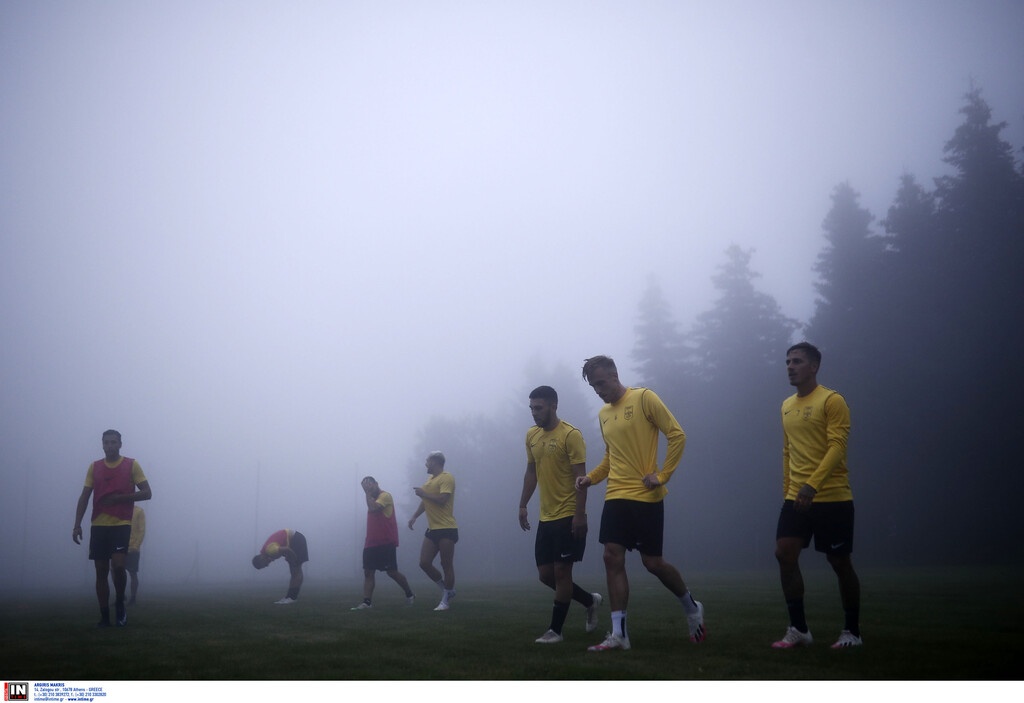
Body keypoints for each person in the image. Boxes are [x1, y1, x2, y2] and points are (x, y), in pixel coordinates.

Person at [575, 355, 706, 651]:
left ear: (614, 375)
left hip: (645, 496)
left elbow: (677, 435)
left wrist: (662, 475)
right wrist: (590, 479)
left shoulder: (644, 398)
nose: (598, 390)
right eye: (593, 386)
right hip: (615, 495)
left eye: (601, 383)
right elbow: (611, 457)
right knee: (611, 557)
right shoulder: (604, 414)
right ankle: (619, 634)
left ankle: (692, 607)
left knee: (653, 563)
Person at [772, 342, 863, 649]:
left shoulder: (832, 401)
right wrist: (789, 491)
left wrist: (812, 485)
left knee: (839, 562)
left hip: (832, 497)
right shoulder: (786, 405)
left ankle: (852, 632)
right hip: (796, 498)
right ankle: (799, 629)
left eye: (797, 361)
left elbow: (837, 447)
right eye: (787, 361)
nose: (790, 366)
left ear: (814, 366)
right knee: (784, 553)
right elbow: (787, 451)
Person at [519, 385, 603, 644]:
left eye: (539, 408)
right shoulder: (531, 435)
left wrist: (580, 514)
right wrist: (522, 505)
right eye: (531, 408)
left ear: (553, 406)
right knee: (546, 576)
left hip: (568, 514)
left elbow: (581, 478)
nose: (534, 413)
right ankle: (589, 601)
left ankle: (555, 631)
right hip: (546, 517)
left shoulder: (570, 435)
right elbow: (531, 472)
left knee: (563, 572)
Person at [72, 429, 153, 627]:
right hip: (99, 525)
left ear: (120, 444)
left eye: (113, 442)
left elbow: (147, 493)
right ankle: (104, 617)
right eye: (106, 442)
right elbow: (84, 496)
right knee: (101, 570)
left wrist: (120, 498)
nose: (109, 446)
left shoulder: (131, 465)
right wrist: (77, 525)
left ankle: (119, 603)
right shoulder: (95, 467)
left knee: (118, 566)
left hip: (121, 524)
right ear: (102, 444)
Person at [352, 476, 415, 610]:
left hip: (386, 542)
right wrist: (368, 494)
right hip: (371, 542)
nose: (368, 488)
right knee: (368, 572)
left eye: (370, 485)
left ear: (376, 484)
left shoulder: (385, 496)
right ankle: (367, 602)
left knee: (392, 572)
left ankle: (409, 594)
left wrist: (367, 493)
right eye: (365, 486)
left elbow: (373, 508)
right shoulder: (370, 498)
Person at [407, 451, 458, 611]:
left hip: (447, 528)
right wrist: (415, 516)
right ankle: (446, 590)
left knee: (446, 564)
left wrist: (424, 493)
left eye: (427, 461)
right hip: (432, 529)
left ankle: (445, 601)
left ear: (435, 461)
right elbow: (425, 501)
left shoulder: (446, 477)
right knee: (424, 563)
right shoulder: (429, 480)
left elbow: (443, 500)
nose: (425, 464)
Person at [251, 529, 309, 604]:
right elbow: (282, 547)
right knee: (294, 572)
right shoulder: (266, 551)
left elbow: (287, 549)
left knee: (296, 571)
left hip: (297, 539)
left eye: (264, 565)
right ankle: (289, 597)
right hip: (294, 540)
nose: (267, 565)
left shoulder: (270, 550)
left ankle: (292, 597)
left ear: (261, 559)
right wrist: (289, 557)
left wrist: (294, 558)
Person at [127, 505, 146, 605]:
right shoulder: (120, 510)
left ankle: (133, 597)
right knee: (114, 570)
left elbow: (142, 530)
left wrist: (136, 545)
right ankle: (120, 596)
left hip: (133, 547)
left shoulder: (139, 511)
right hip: (120, 545)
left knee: (132, 572)